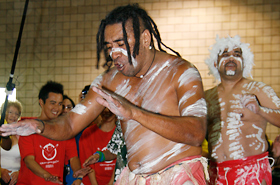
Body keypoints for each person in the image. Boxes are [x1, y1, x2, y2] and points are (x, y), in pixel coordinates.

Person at [1, 4, 207, 184]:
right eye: (109, 47)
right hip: (134, 178)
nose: (114, 54)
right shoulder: (110, 80)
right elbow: (71, 123)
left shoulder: (181, 72)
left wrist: (134, 113)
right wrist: (39, 126)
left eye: (120, 44)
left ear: (145, 38)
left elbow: (196, 133)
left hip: (179, 175)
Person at [204, 35, 280, 185]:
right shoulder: (207, 97)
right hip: (216, 174)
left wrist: (260, 110)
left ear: (244, 63)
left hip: (252, 172)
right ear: (215, 63)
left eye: (237, 54)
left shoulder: (259, 89)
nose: (231, 58)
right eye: (225, 54)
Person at [16, 81, 90, 184]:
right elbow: (29, 160)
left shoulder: (64, 130)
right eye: (53, 103)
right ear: (41, 102)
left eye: (60, 104)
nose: (57, 108)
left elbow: (73, 157)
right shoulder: (28, 127)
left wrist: (78, 173)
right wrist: (46, 175)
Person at [79, 108, 116, 185]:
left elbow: (119, 158)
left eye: (110, 107)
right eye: (103, 107)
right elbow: (88, 164)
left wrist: (111, 183)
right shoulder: (88, 133)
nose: (106, 111)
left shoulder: (122, 133)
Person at [0, 100, 22, 185]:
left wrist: (20, 172)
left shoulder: (22, 134)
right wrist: (1, 171)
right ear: (3, 113)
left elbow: (29, 158)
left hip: (18, 179)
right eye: (10, 112)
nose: (13, 116)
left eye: (16, 114)